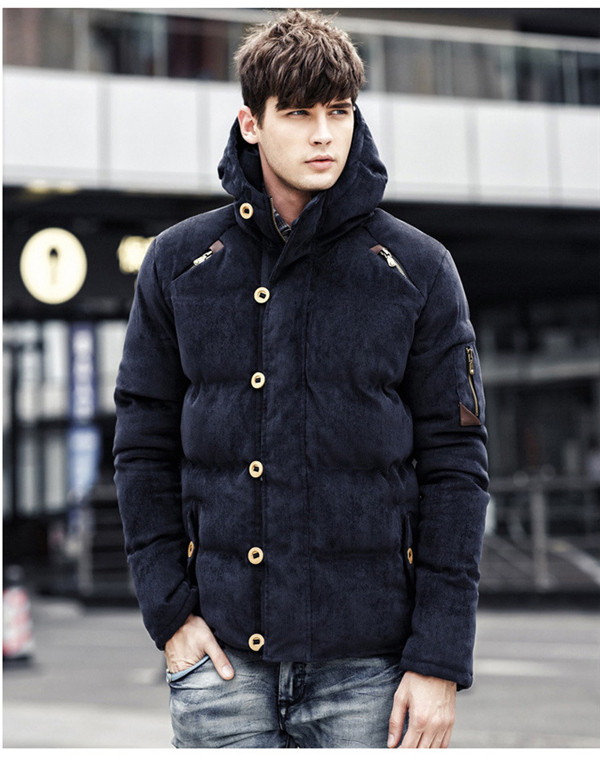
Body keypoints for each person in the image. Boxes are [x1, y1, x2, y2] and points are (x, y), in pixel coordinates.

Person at [113, 9, 489, 749]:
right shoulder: (179, 264)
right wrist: (170, 615)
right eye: (298, 113)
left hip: (371, 672)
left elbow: (457, 468)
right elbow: (140, 448)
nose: (324, 135)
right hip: (222, 668)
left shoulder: (417, 269)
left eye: (339, 111)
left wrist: (439, 659)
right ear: (251, 123)